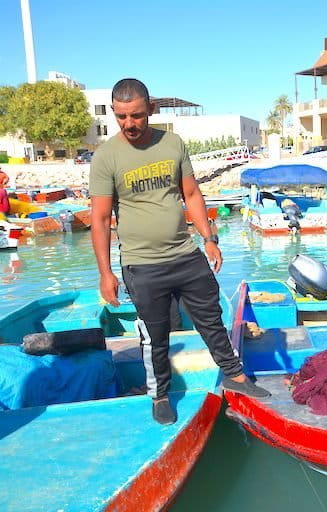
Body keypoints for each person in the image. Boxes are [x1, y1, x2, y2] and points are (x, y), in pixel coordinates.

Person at [89, 78, 270, 425]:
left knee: (211, 319)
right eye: (122, 117)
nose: (130, 124)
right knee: (154, 336)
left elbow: (192, 195)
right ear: (114, 113)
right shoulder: (106, 157)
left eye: (137, 116)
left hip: (185, 254)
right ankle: (158, 395)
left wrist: (209, 237)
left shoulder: (172, 144)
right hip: (142, 266)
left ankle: (235, 376)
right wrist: (105, 272)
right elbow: (99, 219)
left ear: (151, 110)